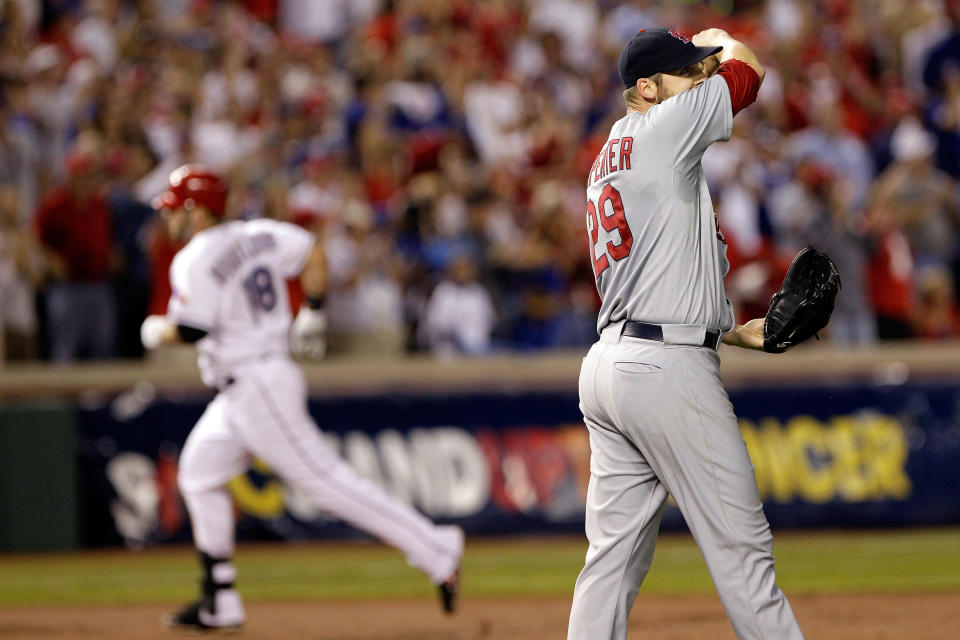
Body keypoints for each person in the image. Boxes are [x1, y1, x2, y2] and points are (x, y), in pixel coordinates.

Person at [139, 165, 463, 632]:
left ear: (195, 211)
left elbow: (191, 328)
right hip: (247, 386)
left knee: (327, 483)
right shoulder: (262, 232)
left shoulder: (194, 256)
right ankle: (220, 599)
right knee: (199, 473)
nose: (169, 219)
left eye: (175, 210)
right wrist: (312, 310)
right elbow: (314, 254)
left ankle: (437, 548)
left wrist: (157, 330)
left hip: (256, 383)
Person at [567, 28, 806, 639]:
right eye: (686, 71)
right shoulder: (661, 129)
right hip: (665, 372)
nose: (701, 78)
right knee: (743, 552)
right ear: (645, 88)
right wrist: (718, 38)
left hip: (613, 365)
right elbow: (748, 71)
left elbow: (657, 267)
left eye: (699, 68)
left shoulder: (607, 157)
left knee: (610, 562)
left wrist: (727, 329)